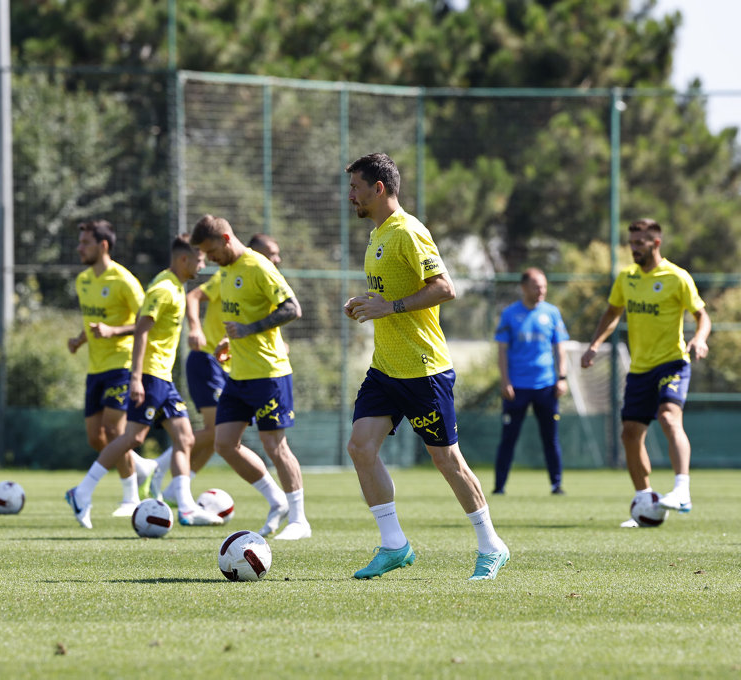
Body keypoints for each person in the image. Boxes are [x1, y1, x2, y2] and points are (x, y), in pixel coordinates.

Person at [343, 152, 509, 580]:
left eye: (356, 188)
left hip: (423, 370)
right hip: (386, 368)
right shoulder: (378, 233)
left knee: (447, 461)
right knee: (361, 447)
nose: (351, 196)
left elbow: (444, 288)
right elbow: (387, 296)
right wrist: (365, 305)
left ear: (379, 189)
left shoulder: (409, 232)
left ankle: (492, 546)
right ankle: (394, 545)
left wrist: (391, 307)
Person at [65, 234, 222, 528]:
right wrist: (136, 378)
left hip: (163, 377)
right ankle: (81, 492)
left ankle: (186, 508)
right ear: (184, 259)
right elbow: (141, 331)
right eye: (199, 259)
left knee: (185, 439)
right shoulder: (163, 289)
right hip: (150, 376)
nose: (203, 264)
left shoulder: (176, 286)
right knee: (132, 438)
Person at [580, 218, 711, 527]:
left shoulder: (677, 277)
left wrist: (699, 338)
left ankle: (682, 490)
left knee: (668, 416)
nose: (633, 248)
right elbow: (612, 312)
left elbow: (702, 316)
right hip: (640, 369)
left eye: (640, 243)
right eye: (631, 243)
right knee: (630, 434)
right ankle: (645, 501)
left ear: (656, 243)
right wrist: (595, 344)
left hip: (672, 362)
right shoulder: (627, 278)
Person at [190, 215, 310, 540]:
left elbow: (292, 308)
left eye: (211, 251)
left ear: (227, 239)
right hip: (238, 375)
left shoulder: (258, 267)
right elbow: (243, 314)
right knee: (224, 444)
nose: (209, 259)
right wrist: (232, 339)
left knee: (275, 445)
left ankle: (299, 519)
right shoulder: (226, 271)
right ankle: (276, 501)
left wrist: (248, 330)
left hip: (269, 372)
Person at [148, 233, 286, 498]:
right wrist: (196, 328)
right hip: (207, 359)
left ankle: (177, 490)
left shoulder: (263, 281)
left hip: (230, 366)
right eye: (271, 253)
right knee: (216, 432)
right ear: (255, 253)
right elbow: (193, 297)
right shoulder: (232, 275)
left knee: (219, 436)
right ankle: (158, 466)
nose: (276, 259)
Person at [67, 219, 158, 517]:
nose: (79, 248)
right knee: (96, 437)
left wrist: (113, 331)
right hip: (95, 368)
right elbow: (90, 323)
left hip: (121, 365)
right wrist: (80, 340)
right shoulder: (83, 281)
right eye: (80, 242)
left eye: (85, 243)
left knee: (114, 430)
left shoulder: (124, 281)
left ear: (103, 245)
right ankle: (142, 466)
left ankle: (131, 497)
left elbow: (147, 323)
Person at [493, 267, 569, 495]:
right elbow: (502, 350)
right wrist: (505, 381)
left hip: (546, 386)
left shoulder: (552, 313)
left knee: (550, 438)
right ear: (523, 287)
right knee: (508, 438)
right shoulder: (509, 314)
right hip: (516, 387)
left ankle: (556, 484)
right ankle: (499, 487)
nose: (541, 290)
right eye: (537, 286)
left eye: (544, 286)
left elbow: (560, 347)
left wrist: (562, 377)